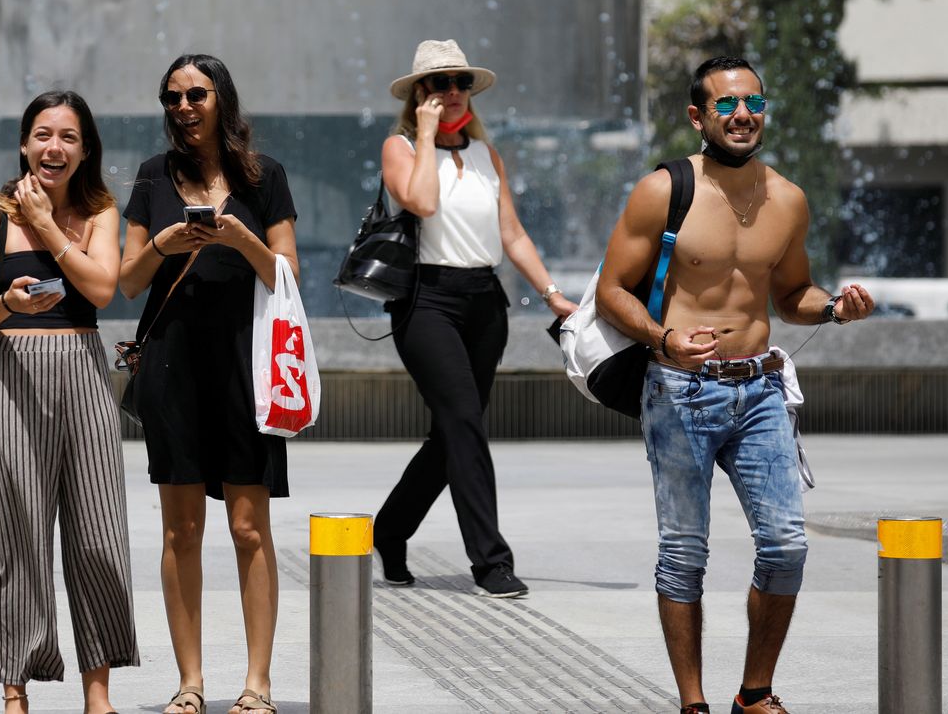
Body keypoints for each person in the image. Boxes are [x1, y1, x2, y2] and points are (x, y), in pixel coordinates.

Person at [596, 56, 874, 714]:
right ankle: (692, 703)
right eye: (726, 105)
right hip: (678, 390)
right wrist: (665, 339)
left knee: (786, 546)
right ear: (699, 117)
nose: (742, 114)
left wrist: (834, 307)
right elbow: (611, 290)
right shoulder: (662, 191)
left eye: (753, 102)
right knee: (684, 551)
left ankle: (754, 693)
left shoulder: (787, 199)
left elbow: (790, 294)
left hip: (760, 390)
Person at [117, 54, 298, 714]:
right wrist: (166, 241)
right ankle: (190, 683)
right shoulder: (151, 177)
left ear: (221, 98)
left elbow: (287, 275)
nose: (182, 107)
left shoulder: (264, 176)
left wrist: (240, 238)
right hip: (170, 363)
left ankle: (258, 684)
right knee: (181, 531)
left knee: (250, 528)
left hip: (247, 366)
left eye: (195, 94)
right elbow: (127, 280)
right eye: (171, 98)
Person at [371, 39, 579, 599]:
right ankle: (490, 561)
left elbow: (511, 233)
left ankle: (389, 530)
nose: (453, 91)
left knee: (450, 435)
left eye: (460, 81)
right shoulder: (398, 148)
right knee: (464, 422)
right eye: (439, 84)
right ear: (420, 95)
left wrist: (554, 293)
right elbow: (423, 204)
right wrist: (423, 133)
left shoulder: (488, 156)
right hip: (426, 302)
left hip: (485, 302)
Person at [0, 90, 139, 714]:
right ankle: (15, 687)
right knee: (17, 535)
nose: (53, 147)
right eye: (42, 134)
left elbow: (104, 289)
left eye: (67, 137)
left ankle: (98, 692)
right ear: (24, 143)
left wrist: (53, 230)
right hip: (12, 376)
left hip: (83, 373)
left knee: (99, 535)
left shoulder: (102, 213)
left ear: (86, 150)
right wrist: (8, 304)